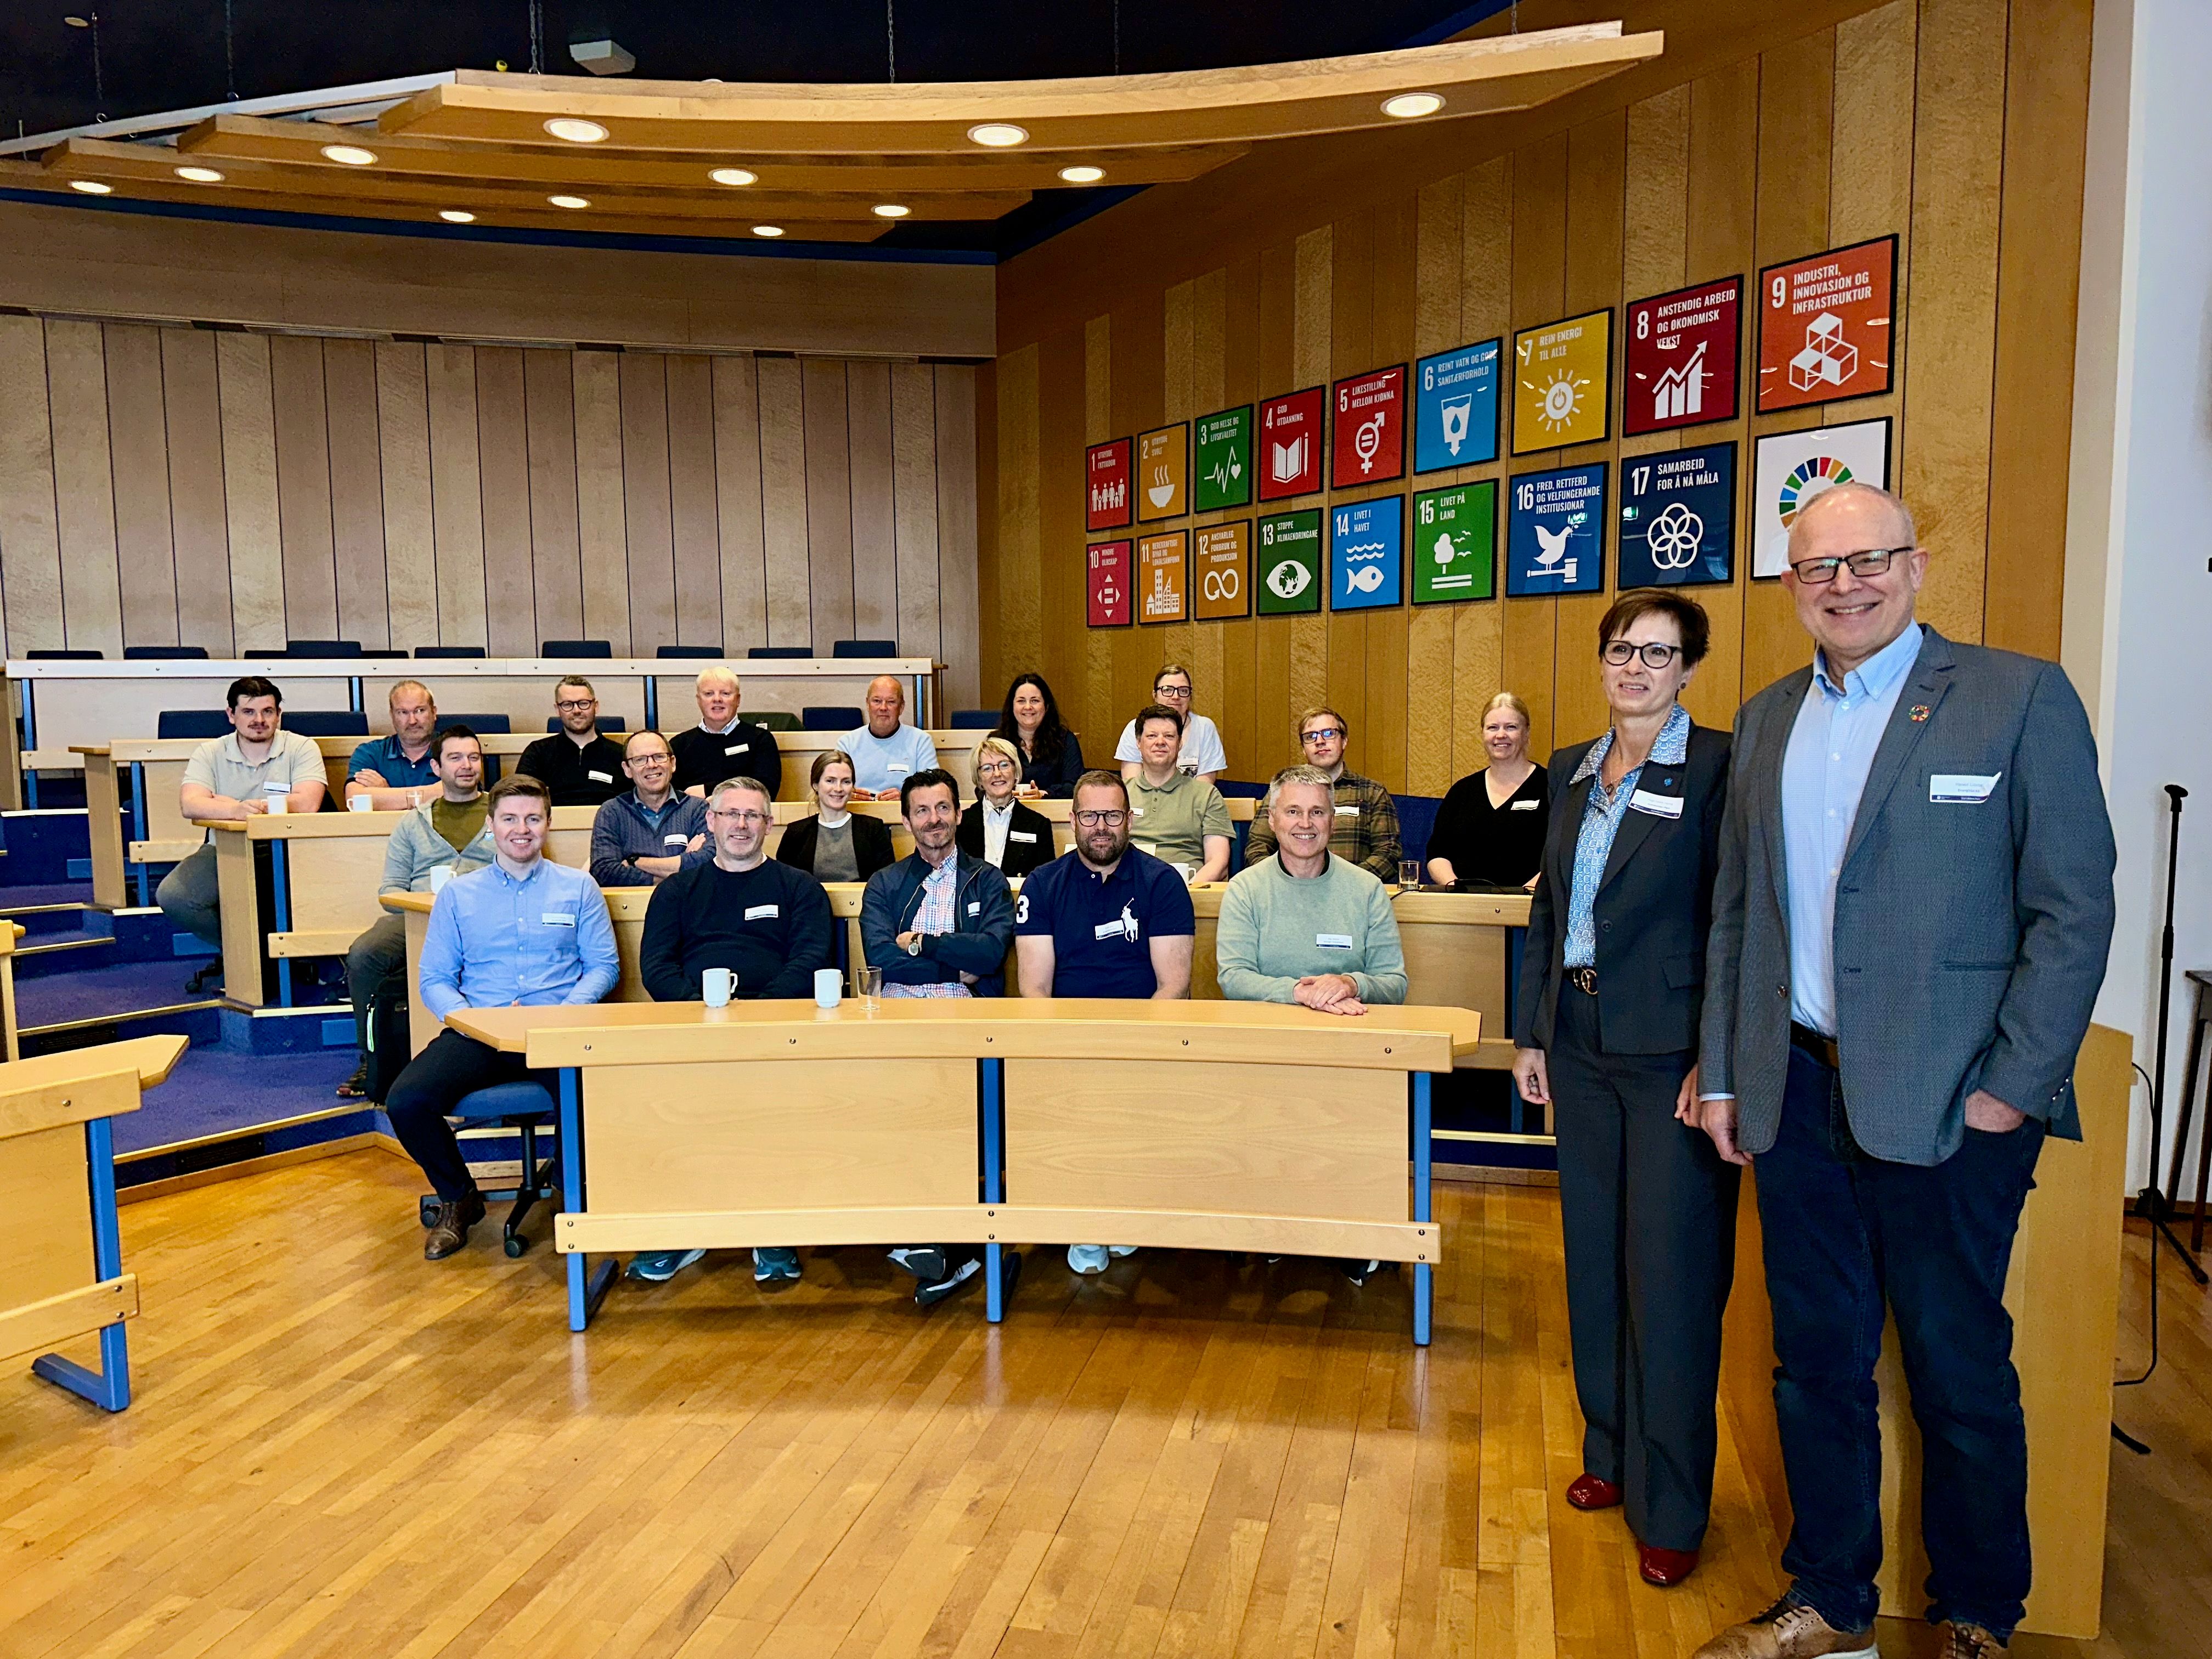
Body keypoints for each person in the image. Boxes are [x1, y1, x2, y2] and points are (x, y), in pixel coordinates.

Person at [1690, 484, 2116, 1659]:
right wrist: (1729, 1073)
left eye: (1869, 560)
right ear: (1791, 588)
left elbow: (2074, 913)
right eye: (1819, 568)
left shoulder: (2015, 698)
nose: (1846, 584)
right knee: (1817, 1362)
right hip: (1798, 1095)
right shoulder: (1770, 718)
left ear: (1916, 565)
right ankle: (1829, 1598)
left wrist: (2013, 1089)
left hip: (1953, 1106)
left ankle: (1980, 1614)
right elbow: (1740, 919)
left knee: (1958, 1369)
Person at [1509, 589, 1734, 1594]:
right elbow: (1549, 908)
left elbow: (1740, 918)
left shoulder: (1721, 766)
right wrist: (1536, 1031)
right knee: (1594, 1258)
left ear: (1687, 666)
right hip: (1583, 1043)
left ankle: (1674, 1499)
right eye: (1621, 649)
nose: (1635, 666)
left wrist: (1717, 1055)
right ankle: (1610, 1450)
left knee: (1672, 1275)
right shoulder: (1568, 769)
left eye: (1658, 651)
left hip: (1672, 1056)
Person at [385, 775, 619, 1261]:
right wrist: (474, 1020)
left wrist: (564, 1013)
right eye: (510, 819)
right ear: (491, 826)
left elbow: (603, 966)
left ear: (548, 825)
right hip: (481, 1034)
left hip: (558, 1030)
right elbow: (435, 979)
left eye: (533, 819)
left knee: (595, 1099)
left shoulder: (578, 887)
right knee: (407, 1102)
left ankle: (563, 1185)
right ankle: (458, 1198)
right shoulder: (458, 895)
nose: (522, 829)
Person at [632, 776, 836, 1290]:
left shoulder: (799, 888)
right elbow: (656, 968)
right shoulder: (677, 891)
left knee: (774, 1107)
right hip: (694, 1030)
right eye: (731, 815)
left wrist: (757, 1014)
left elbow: (810, 960)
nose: (741, 825)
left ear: (769, 824)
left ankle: (772, 1227)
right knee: (663, 1105)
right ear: (711, 822)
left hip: (781, 1030)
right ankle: (681, 1226)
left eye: (753, 816)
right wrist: (706, 1014)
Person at [1015, 768, 1196, 1274]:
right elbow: (1034, 987)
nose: (1101, 826)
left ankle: (1128, 1210)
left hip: (1144, 1038)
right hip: (1066, 1040)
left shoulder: (1162, 883)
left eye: (1113, 815)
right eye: (1090, 815)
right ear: (1072, 820)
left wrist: (1133, 1050)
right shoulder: (1043, 884)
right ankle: (1084, 1218)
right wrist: (1067, 1050)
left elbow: (1174, 985)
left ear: (1129, 820)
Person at [861, 769, 1017, 1307]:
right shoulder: (885, 883)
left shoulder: (987, 880)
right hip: (897, 1021)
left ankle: (938, 1242)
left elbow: (990, 956)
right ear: (907, 821)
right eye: (923, 811)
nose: (934, 820)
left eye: (943, 808)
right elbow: (879, 961)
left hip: (966, 1019)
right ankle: (947, 1246)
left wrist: (922, 943)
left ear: (959, 812)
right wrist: (954, 960)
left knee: (951, 1112)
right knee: (898, 1110)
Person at [337, 725, 493, 1099]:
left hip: (488, 919)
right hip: (418, 919)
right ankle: (372, 1058)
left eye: (473, 757)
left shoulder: (503, 813)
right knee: (365, 953)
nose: (467, 766)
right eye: (455, 758)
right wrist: (425, 903)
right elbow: (389, 893)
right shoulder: (412, 822)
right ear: (436, 769)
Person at [157, 675, 326, 992]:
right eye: (248, 712)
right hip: (226, 848)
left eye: (267, 711)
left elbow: (308, 803)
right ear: (231, 715)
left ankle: (266, 960)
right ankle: (247, 955)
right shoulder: (210, 752)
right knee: (174, 897)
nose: (259, 720)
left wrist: (238, 805)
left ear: (279, 715)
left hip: (292, 852)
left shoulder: (302, 747)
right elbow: (191, 804)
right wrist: (235, 809)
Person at [1242, 706, 1402, 880]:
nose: (1320, 741)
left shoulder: (1372, 793)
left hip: (1351, 898)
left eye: (1328, 733)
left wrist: (1346, 883)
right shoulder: (1283, 790)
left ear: (1344, 741)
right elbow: (1257, 847)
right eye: (1311, 736)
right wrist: (1283, 883)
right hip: (1289, 896)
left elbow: (1388, 853)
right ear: (1303, 749)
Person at [1426, 692, 1548, 889]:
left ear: (1526, 732)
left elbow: (1561, 854)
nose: (1501, 735)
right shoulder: (1462, 792)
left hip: (1529, 909)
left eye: (1511, 727)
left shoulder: (1551, 787)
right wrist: (1455, 887)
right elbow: (1437, 854)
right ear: (1483, 733)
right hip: (1466, 908)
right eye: (1493, 727)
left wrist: (1527, 896)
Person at [1125, 703, 1232, 882]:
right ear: (1138, 742)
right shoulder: (1118, 794)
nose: (1160, 742)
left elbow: (1218, 863)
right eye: (1151, 736)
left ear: (1180, 743)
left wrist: (1182, 894)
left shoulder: (1207, 795)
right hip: (1127, 893)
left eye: (1169, 736)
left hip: (1187, 894)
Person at [588, 730, 709, 887]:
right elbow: (603, 872)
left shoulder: (698, 809)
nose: (652, 765)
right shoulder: (611, 812)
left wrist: (635, 861)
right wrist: (681, 869)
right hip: (629, 909)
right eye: (640, 760)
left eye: (659, 757)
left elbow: (708, 863)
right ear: (627, 769)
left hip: (688, 908)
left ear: (672, 763)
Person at [775, 750, 897, 883]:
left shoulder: (873, 829)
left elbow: (887, 882)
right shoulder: (796, 833)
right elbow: (785, 884)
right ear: (816, 785)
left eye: (846, 782)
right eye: (830, 781)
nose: (838, 789)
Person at [669, 664, 782, 799]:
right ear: (699, 700)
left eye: (725, 693)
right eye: (709, 694)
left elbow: (766, 789)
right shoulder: (679, 745)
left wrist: (709, 790)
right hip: (693, 817)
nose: (717, 699)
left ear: (738, 700)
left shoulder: (761, 740)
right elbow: (671, 794)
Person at [515, 675, 628, 806]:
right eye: (567, 705)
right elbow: (520, 800)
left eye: (584, 703)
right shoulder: (537, 753)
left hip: (609, 824)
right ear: (557, 709)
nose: (577, 711)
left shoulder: (620, 754)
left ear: (596, 706)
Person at [959, 737, 1056, 878]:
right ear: (979, 778)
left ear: (1016, 772)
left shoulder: (1038, 825)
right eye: (987, 768)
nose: (997, 774)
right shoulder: (961, 823)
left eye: (1004, 765)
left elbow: (1047, 880)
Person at [1114, 664, 1226, 782]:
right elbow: (1132, 785)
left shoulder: (1205, 728)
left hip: (1191, 801)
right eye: (1168, 690)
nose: (1176, 696)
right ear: (1155, 695)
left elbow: (1204, 789)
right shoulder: (1134, 728)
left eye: (1183, 691)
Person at [345, 680, 443, 810]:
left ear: (434, 712)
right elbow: (356, 800)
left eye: (420, 711)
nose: (412, 721)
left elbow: (464, 793)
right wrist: (435, 792)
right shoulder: (370, 753)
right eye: (403, 712)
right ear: (392, 715)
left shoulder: (453, 749)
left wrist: (387, 792)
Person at [843, 675, 938, 797]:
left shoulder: (921, 741)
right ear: (867, 704)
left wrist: (905, 798)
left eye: (891, 702)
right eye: (877, 701)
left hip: (903, 813)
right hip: (858, 812)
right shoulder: (848, 743)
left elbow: (933, 789)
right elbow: (835, 786)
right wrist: (848, 795)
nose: (883, 708)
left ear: (901, 707)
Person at [993, 671, 1085, 796]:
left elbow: (1074, 786)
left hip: (1054, 812)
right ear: (1012, 706)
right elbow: (982, 789)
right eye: (1021, 701)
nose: (1028, 707)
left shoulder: (1065, 740)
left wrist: (1044, 794)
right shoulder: (996, 742)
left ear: (1046, 706)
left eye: (1035, 701)